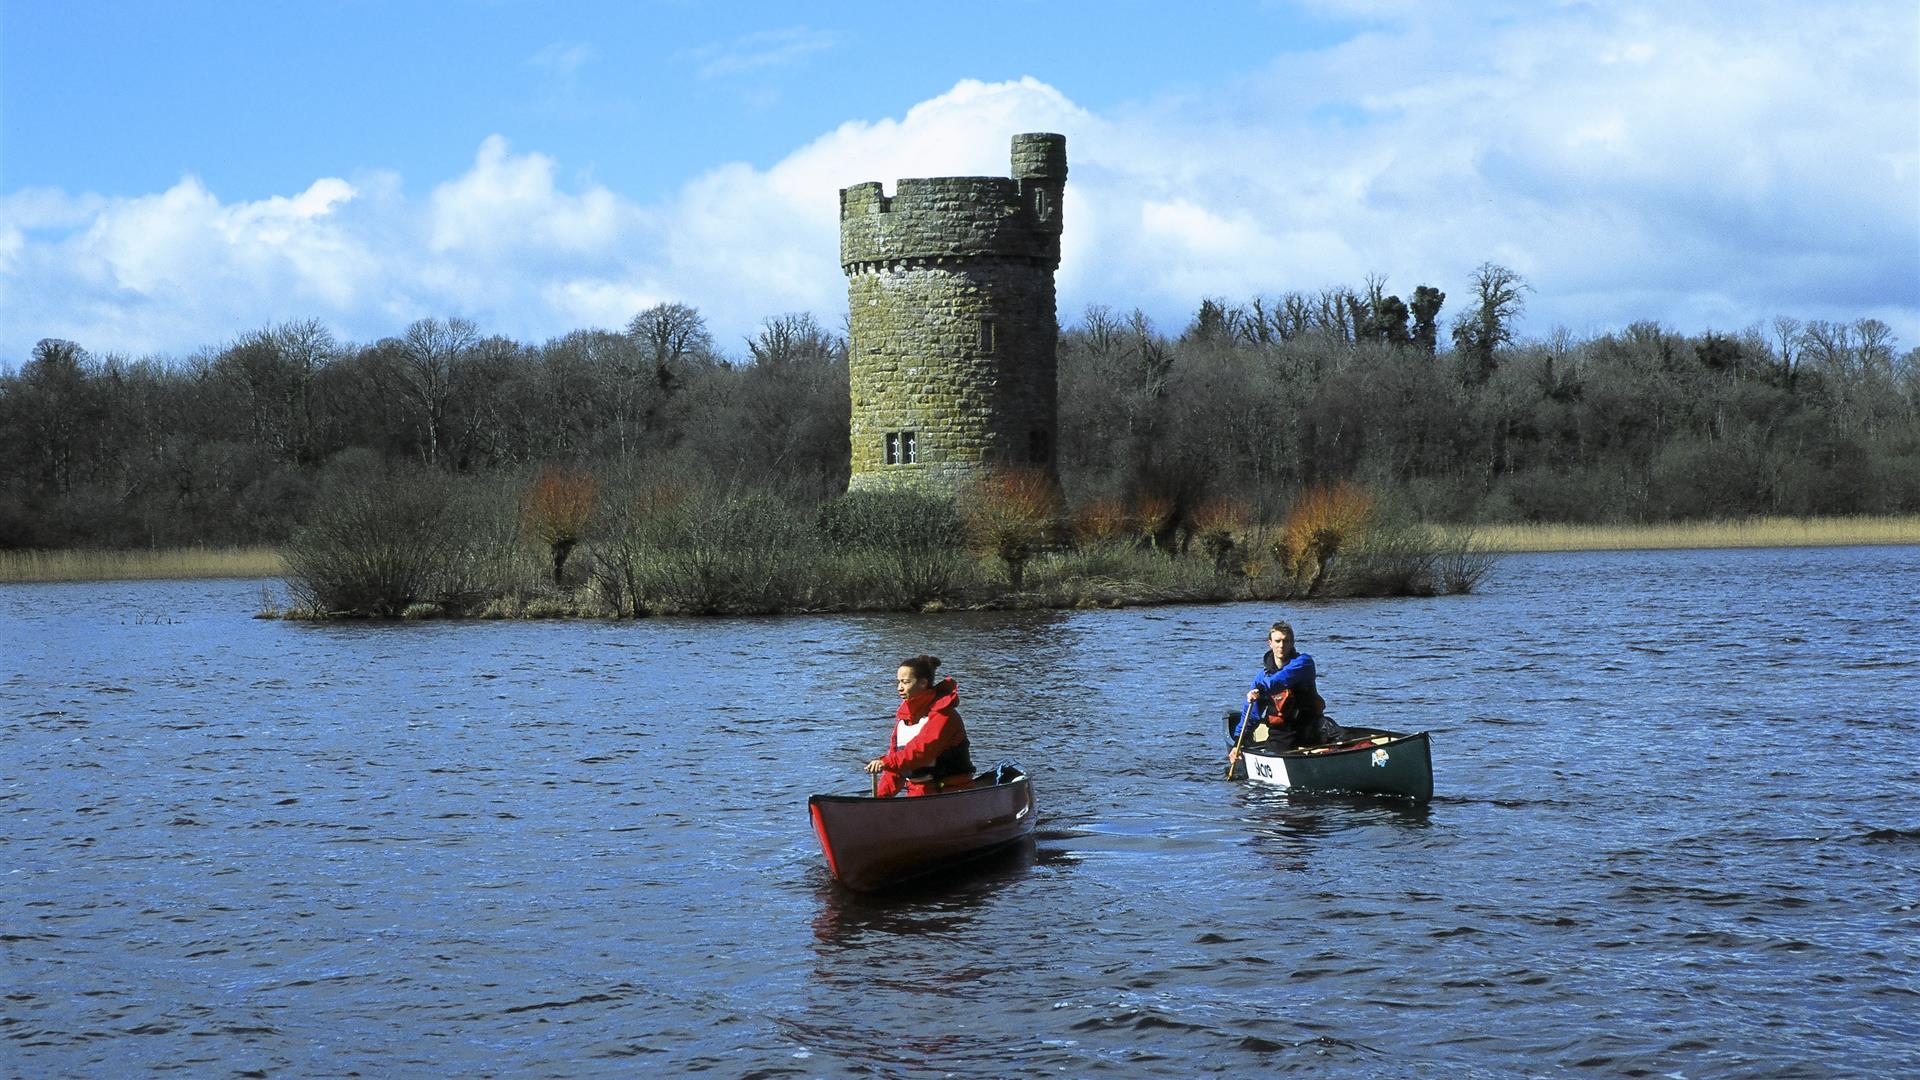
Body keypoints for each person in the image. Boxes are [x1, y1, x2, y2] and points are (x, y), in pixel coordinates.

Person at [1227, 620, 1351, 769]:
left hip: (1311, 726)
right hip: (1282, 733)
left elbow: (1283, 678)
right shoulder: (1261, 677)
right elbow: (1252, 713)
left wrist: (1261, 689)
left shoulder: (1304, 663)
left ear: (1292, 642)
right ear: (1270, 643)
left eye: (1286, 641)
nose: (1281, 646)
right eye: (1278, 641)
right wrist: (1237, 743)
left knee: (1345, 739)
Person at [865, 655, 976, 798]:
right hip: (917, 793)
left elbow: (921, 752)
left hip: (951, 792)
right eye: (898, 682)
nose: (899, 688)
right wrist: (880, 798)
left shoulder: (945, 715)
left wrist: (885, 762)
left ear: (923, 683)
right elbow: (895, 768)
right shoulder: (903, 720)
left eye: (905, 682)